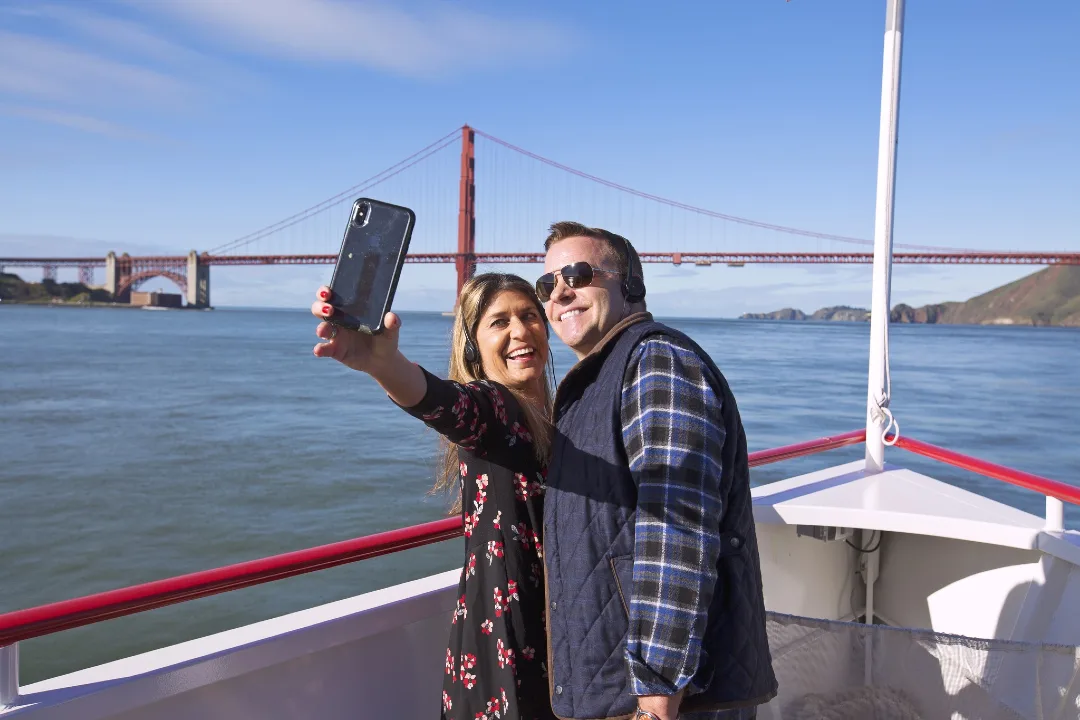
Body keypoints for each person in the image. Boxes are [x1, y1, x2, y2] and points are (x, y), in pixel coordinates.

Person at [535, 222, 777, 720]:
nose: (560, 291)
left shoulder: (656, 361)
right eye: (547, 284)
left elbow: (677, 531)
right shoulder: (601, 378)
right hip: (621, 692)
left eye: (578, 274)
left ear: (630, 287)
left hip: (661, 702)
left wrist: (657, 696)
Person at [311, 273, 558, 720]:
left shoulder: (560, 418)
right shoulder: (496, 411)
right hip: (508, 655)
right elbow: (444, 403)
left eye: (529, 316)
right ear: (473, 347)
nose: (520, 331)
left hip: (556, 642)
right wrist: (384, 365)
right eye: (498, 322)